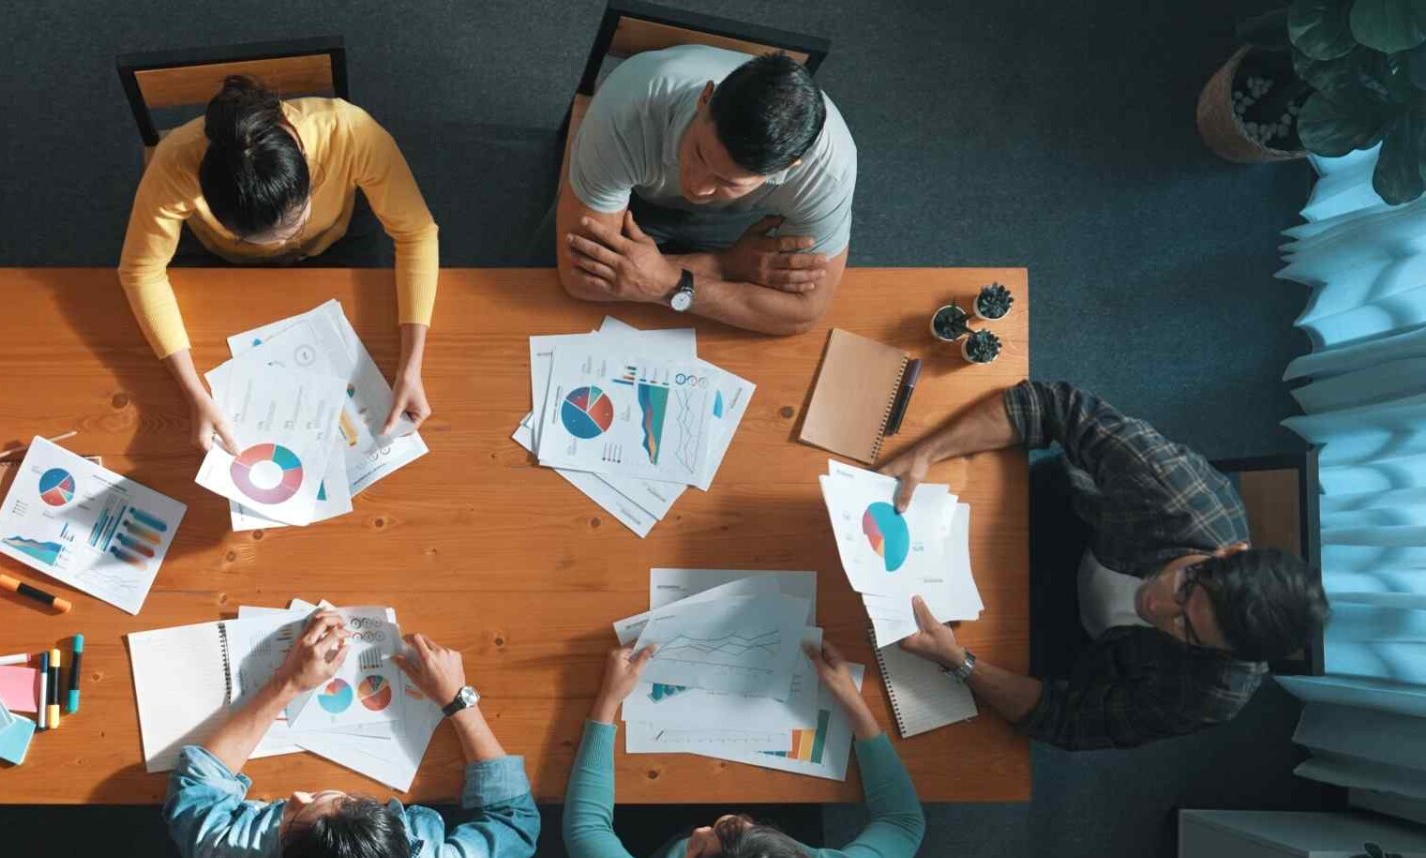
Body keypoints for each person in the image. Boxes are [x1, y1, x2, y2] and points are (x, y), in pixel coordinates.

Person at [878, 380, 1331, 749]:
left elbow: (1065, 720)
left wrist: (958, 662)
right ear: (1230, 552)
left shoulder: (1211, 693)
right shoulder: (1175, 493)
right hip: (1061, 520)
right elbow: (1051, 405)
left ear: (1221, 653)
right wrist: (927, 453)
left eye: (1186, 630)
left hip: (1066, 644)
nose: (1157, 607)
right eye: (1185, 588)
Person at [164, 611, 539, 858]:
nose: (296, 796)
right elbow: (516, 822)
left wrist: (287, 683)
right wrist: (459, 702)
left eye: (291, 821)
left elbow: (198, 786)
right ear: (401, 837)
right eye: (328, 799)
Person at [564, 641, 923, 858]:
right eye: (748, 828)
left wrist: (607, 702)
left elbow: (586, 829)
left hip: (660, 841)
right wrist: (851, 700)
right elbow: (902, 822)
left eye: (699, 853)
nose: (701, 830)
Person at [118, 75, 440, 453]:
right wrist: (194, 393)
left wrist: (411, 364)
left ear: (306, 168)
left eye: (294, 225)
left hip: (334, 240)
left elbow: (416, 232)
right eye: (262, 238)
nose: (281, 246)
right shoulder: (174, 162)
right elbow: (141, 271)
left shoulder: (350, 132)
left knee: (371, 350)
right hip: (225, 259)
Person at [555, 45, 855, 336]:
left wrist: (666, 283)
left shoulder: (828, 172)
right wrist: (725, 266)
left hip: (736, 224)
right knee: (548, 290)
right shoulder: (630, 108)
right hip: (638, 200)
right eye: (699, 154)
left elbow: (804, 313)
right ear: (705, 98)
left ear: (786, 168)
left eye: (729, 182)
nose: (697, 188)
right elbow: (580, 277)